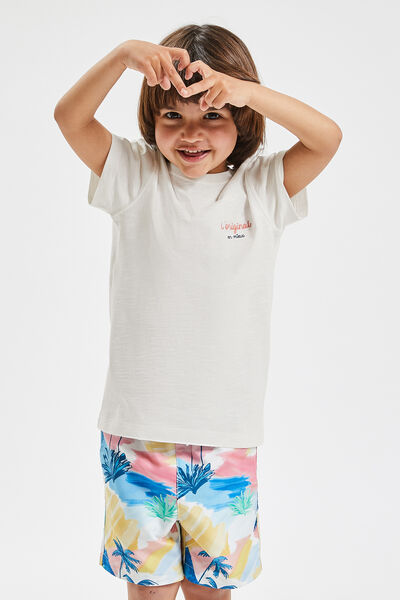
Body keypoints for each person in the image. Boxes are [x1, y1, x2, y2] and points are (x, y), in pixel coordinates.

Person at [54, 24, 342, 600]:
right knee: (149, 591)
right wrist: (122, 56)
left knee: (212, 591)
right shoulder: (134, 177)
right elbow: (70, 118)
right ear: (152, 120)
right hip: (136, 435)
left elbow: (327, 138)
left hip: (225, 437)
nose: (191, 134)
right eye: (173, 116)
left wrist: (244, 90)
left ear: (241, 118)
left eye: (212, 114)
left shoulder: (262, 187)